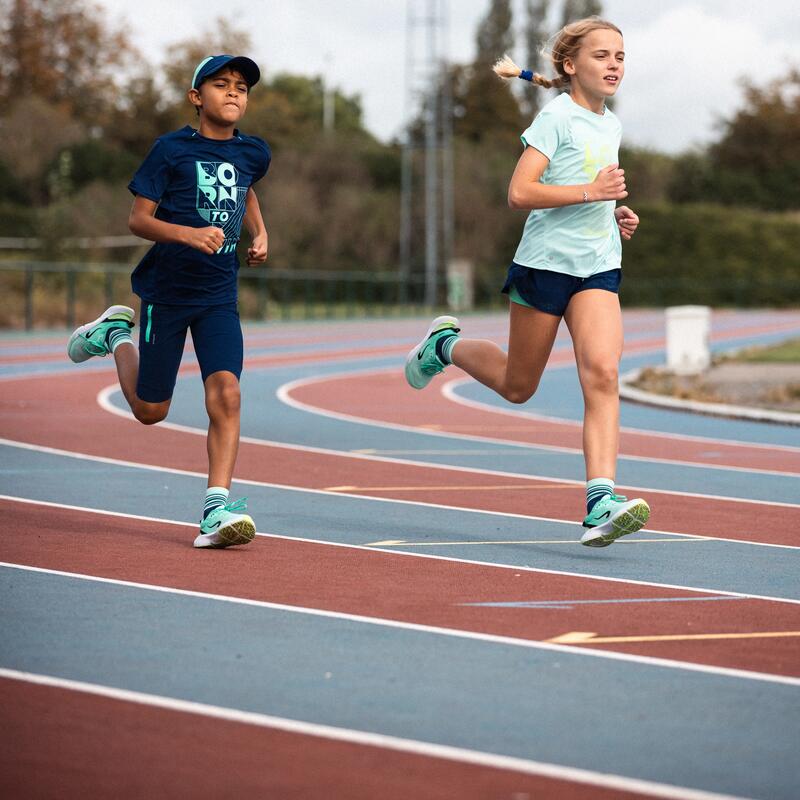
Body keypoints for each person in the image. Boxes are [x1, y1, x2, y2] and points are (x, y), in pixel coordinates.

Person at [405, 18, 649, 547]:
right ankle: (444, 345)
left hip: (598, 266)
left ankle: (600, 500)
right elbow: (520, 192)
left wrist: (615, 213)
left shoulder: (611, 124)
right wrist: (593, 192)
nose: (614, 66)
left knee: (603, 373)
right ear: (569, 65)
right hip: (544, 266)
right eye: (603, 55)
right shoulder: (554, 118)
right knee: (519, 386)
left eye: (621, 57)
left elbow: (593, 190)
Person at [67, 54, 271, 549]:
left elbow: (245, 191)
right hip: (168, 293)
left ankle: (215, 508)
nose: (233, 93)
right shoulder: (170, 150)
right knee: (150, 410)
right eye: (221, 85)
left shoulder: (254, 153)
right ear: (197, 97)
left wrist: (261, 231)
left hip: (219, 296)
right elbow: (138, 219)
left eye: (241, 87)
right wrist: (186, 233)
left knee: (227, 393)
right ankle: (115, 335)